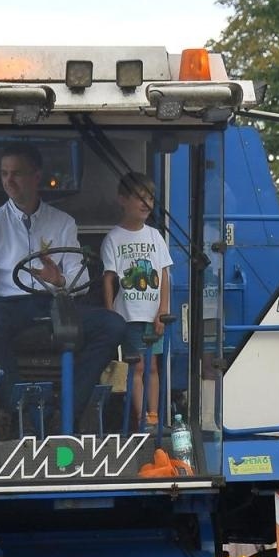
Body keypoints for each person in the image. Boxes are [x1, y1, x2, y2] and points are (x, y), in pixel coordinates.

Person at [0, 145, 123, 430]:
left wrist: (60, 281)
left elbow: (79, 280)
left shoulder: (63, 223)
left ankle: (68, 409)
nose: (9, 181)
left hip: (54, 303)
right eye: (4, 174)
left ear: (36, 177)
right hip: (7, 306)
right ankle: (25, 414)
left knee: (113, 325)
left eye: (16, 173)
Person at [100, 172, 173, 430]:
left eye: (150, 198)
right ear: (123, 200)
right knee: (137, 367)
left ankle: (154, 416)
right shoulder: (113, 238)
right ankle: (141, 418)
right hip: (128, 315)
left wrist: (162, 310)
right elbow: (109, 278)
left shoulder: (155, 236)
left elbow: (164, 275)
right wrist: (110, 313)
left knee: (152, 365)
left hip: (153, 315)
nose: (146, 203)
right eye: (140, 198)